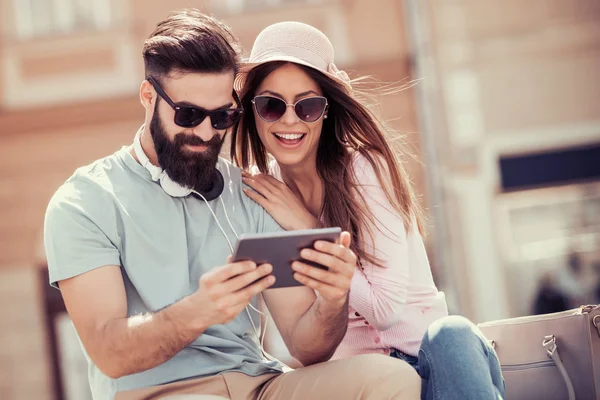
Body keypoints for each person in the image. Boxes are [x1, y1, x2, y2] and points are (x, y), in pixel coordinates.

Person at [43, 10, 421, 400]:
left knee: (391, 379)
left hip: (258, 384)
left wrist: (332, 298)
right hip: (159, 393)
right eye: (188, 115)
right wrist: (201, 309)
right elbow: (110, 353)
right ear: (148, 97)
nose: (207, 132)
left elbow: (308, 347)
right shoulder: (84, 202)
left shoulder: (251, 191)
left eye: (222, 116)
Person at [232, 21, 505, 400]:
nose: (290, 120)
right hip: (361, 385)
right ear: (253, 112)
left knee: (452, 333)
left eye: (308, 105)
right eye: (271, 105)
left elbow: (385, 310)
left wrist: (306, 226)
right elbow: (299, 341)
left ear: (326, 110)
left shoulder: (364, 169)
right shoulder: (261, 197)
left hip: (434, 367)